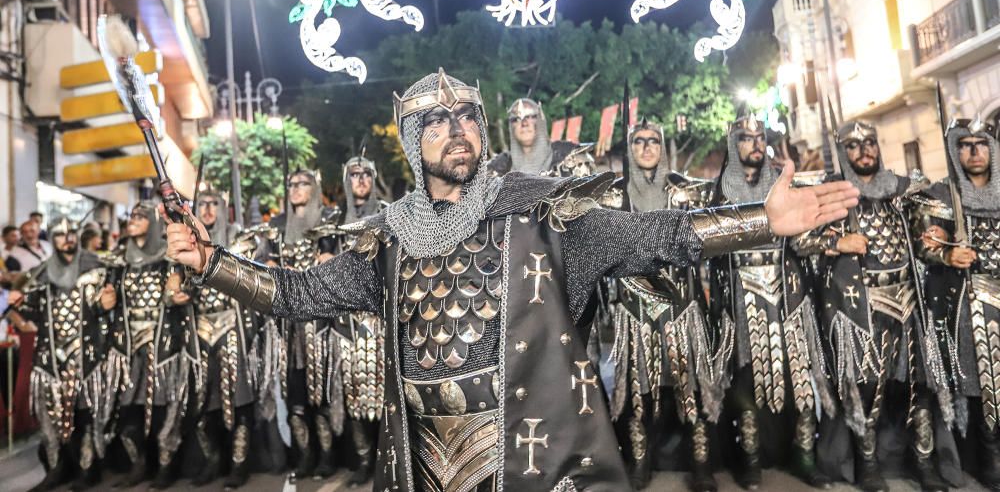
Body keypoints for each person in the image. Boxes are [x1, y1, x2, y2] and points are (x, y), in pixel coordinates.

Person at [165, 69, 858, 491]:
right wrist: (209, 263)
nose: (456, 129)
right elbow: (296, 295)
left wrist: (761, 221)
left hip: (530, 454)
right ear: (410, 144)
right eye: (434, 121)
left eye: (466, 115)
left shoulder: (546, 212)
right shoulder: (389, 236)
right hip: (421, 458)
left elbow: (661, 236)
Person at [799, 122, 952, 492]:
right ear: (843, 153)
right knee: (867, 387)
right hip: (860, 306)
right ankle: (867, 464)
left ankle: (924, 461)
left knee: (920, 387)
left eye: (869, 143)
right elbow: (801, 240)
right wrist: (837, 242)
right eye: (853, 146)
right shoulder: (830, 193)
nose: (864, 151)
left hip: (907, 299)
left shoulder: (900, 189)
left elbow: (934, 218)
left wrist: (937, 235)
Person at [709, 117, 833, 489]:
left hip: (787, 294)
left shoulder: (785, 186)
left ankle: (804, 457)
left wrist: (830, 241)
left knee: (801, 382)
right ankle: (750, 462)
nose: (755, 144)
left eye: (760, 137)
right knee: (744, 385)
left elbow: (803, 242)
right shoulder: (718, 192)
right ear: (734, 145)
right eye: (745, 138)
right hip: (741, 294)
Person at [611, 118, 725, 491]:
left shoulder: (685, 192)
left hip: (680, 302)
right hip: (634, 306)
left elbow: (718, 219)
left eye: (653, 141)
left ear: (662, 147)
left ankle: (702, 464)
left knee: (689, 387)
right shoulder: (615, 197)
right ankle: (640, 464)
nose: (646, 148)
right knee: (638, 391)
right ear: (631, 148)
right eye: (639, 142)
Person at [914, 114, 1000, 490]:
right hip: (971, 302)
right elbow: (926, 242)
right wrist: (947, 256)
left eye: (981, 143)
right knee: (983, 383)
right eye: (965, 145)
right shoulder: (942, 195)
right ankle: (990, 460)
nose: (975, 151)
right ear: (955, 150)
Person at [8, 218, 115, 491]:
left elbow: (105, 307)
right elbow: (32, 311)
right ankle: (56, 470)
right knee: (50, 420)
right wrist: (18, 302)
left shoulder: (94, 268)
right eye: (59, 234)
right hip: (51, 358)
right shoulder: (43, 275)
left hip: (86, 356)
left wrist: (106, 304)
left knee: (85, 417)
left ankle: (87, 470)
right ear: (52, 240)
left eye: (71, 233)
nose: (67, 238)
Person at [259, 169, 341, 479]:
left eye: (302, 183)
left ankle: (328, 458)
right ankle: (305, 456)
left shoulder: (327, 222)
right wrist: (276, 268)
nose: (294, 188)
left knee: (320, 395)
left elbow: (332, 261)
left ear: (315, 187)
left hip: (320, 323)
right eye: (291, 184)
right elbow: (265, 263)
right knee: (295, 398)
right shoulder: (276, 226)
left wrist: (315, 268)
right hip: (288, 327)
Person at [107, 202, 196, 488]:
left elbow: (176, 290)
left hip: (161, 345)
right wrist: (102, 300)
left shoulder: (166, 257)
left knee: (162, 408)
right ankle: (138, 464)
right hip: (128, 346)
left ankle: (165, 468)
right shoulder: (119, 261)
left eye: (139, 216)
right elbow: (106, 296)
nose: (132, 220)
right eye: (130, 216)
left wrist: (176, 294)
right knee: (128, 409)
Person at [189, 189, 263, 489]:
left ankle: (239, 464)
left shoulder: (240, 241)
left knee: (239, 401)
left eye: (213, 204)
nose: (207, 210)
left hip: (234, 329)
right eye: (202, 205)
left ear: (223, 208)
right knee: (206, 402)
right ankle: (213, 461)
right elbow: (174, 285)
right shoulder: (190, 246)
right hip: (201, 330)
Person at [330, 154, 387, 485]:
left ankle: (384, 458)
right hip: (347, 322)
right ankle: (363, 460)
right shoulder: (332, 222)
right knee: (354, 393)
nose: (361, 179)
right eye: (354, 174)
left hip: (381, 317)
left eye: (367, 173)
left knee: (384, 394)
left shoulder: (392, 215)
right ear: (347, 180)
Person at [487, 98, 595, 177]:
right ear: (511, 126)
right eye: (516, 119)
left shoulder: (570, 154)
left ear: (540, 122)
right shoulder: (500, 165)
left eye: (530, 117)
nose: (524, 123)